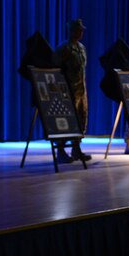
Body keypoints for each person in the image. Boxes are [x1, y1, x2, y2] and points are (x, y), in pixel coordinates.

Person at [54, 19, 91, 163]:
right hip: (68, 91)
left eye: (81, 30)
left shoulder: (81, 48)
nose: (81, 32)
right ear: (71, 31)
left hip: (81, 91)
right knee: (66, 121)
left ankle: (76, 149)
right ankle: (60, 151)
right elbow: (56, 70)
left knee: (82, 119)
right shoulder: (63, 48)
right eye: (78, 30)